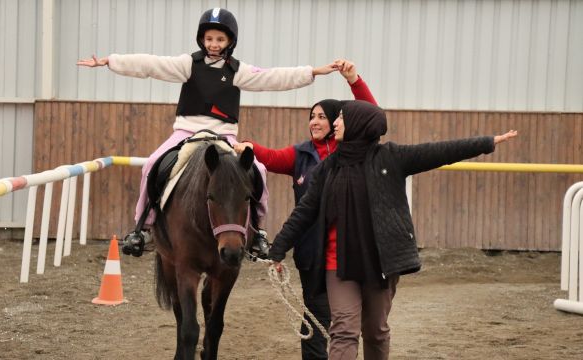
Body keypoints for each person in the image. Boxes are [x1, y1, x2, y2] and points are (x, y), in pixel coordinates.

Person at [77, 8, 340, 257]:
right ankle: (142, 228)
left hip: (224, 136)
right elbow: (151, 65)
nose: (214, 43)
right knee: (153, 164)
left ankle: (258, 230)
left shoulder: (239, 71)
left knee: (257, 169)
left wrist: (312, 72)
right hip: (186, 132)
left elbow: (273, 77)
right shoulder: (188, 64)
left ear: (229, 41)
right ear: (202, 39)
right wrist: (111, 61)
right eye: (209, 38)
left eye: (220, 39)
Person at [268, 100, 518, 359]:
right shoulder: (327, 168)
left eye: (341, 118)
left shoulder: (390, 157)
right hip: (337, 263)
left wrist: (488, 142)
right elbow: (305, 211)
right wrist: (278, 249)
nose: (336, 123)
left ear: (358, 124)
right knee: (343, 330)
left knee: (375, 331)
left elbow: (439, 151)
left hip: (380, 263)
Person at [233, 61, 376, 360]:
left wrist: (354, 80)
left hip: (350, 250)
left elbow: (371, 114)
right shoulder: (300, 154)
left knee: (348, 319)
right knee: (314, 313)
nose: (314, 121)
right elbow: (270, 157)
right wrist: (249, 146)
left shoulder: (353, 149)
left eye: (322, 116)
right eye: (311, 116)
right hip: (312, 252)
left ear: (338, 120)